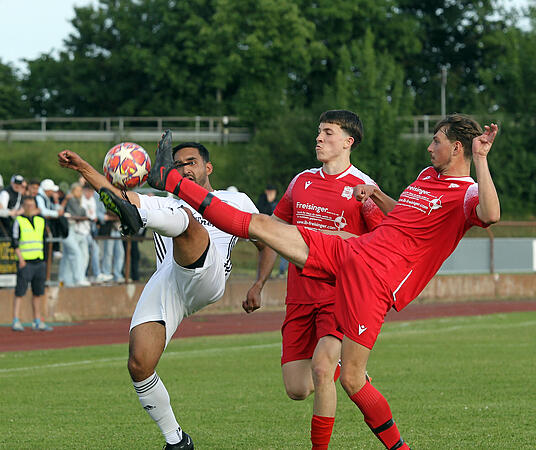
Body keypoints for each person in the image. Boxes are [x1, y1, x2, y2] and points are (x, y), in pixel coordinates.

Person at [147, 117, 500, 449]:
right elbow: (401, 216)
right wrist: (376, 195)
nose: (429, 147)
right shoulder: (427, 176)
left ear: (457, 148)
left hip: (376, 282)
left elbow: (490, 214)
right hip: (353, 252)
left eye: (436, 141)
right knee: (263, 225)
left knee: (352, 380)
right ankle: (171, 181)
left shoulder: (467, 192)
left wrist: (481, 160)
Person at [58, 140, 274, 449]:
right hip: (168, 279)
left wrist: (259, 284)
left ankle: (137, 220)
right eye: (177, 165)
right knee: (139, 364)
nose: (185, 168)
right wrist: (82, 167)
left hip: (209, 275)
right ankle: (176, 440)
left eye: (191, 162)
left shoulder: (234, 200)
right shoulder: (163, 200)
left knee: (186, 222)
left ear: (207, 168)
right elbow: (118, 195)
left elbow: (266, 242)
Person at [272, 111, 385, 449]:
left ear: (348, 142)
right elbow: (274, 230)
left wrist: (344, 239)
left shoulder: (363, 189)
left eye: (328, 133)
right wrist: (259, 283)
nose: (319, 138)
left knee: (321, 368)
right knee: (297, 388)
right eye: (319, 132)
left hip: (340, 297)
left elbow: (382, 245)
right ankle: (348, 367)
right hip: (299, 296)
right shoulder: (300, 182)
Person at [11, 196, 53, 332]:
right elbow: (15, 242)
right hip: (26, 262)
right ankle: (16, 320)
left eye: (32, 205)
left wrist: (45, 261)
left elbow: (45, 240)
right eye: (27, 205)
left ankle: (37, 320)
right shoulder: (19, 221)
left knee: (38, 293)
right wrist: (21, 260)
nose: (29, 207)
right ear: (23, 206)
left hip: (39, 262)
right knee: (20, 292)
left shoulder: (41, 220)